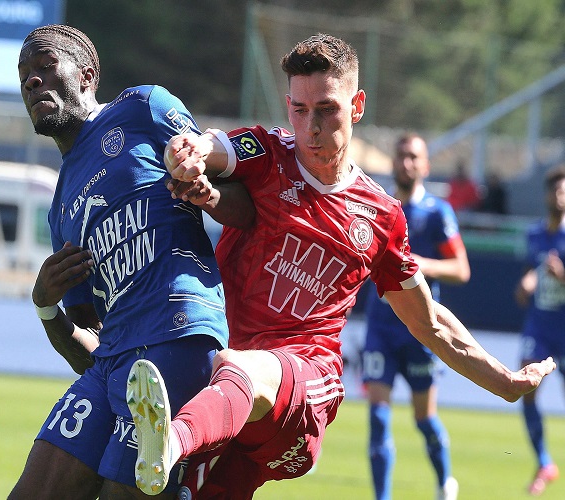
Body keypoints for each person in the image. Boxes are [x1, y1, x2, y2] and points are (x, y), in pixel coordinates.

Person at [127, 33, 556, 499]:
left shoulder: (381, 216)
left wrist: (504, 382)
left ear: (357, 106)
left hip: (305, 388)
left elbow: (429, 322)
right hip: (221, 398)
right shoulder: (267, 153)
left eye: (326, 109)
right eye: (299, 109)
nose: (311, 127)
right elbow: (215, 148)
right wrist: (187, 151)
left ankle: (170, 440)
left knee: (240, 369)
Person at [8, 25, 233, 499]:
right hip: (111, 363)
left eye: (46, 66)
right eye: (24, 74)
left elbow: (235, 189)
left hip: (177, 335)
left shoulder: (143, 108)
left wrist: (204, 186)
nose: (32, 80)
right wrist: (46, 308)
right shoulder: (60, 207)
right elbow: (87, 341)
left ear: (87, 75)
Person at [362, 133, 470, 500]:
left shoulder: (437, 212)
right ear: (393, 162)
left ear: (425, 165)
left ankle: (444, 483)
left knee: (424, 419)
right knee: (378, 416)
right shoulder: (379, 205)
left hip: (421, 329)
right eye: (401, 156)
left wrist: (422, 265)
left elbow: (461, 269)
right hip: (380, 326)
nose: (406, 163)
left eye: (413, 157)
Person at [514, 165, 565, 496]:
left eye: (564, 192)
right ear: (547, 195)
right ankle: (544, 462)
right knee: (526, 390)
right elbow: (524, 285)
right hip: (539, 329)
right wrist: (525, 286)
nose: (559, 197)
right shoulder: (534, 235)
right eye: (555, 191)